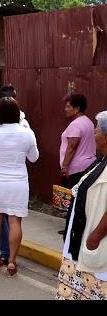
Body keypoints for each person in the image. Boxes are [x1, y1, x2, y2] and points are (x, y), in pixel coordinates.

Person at [0, 97, 39, 276]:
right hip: (18, 183)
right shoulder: (27, 132)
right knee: (15, 221)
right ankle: (11, 261)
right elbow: (34, 157)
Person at [56, 110, 107, 300]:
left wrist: (95, 237)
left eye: (96, 131)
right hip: (82, 236)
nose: (94, 134)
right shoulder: (100, 160)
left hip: (95, 242)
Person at [59, 93, 97, 235]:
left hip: (77, 168)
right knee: (80, 199)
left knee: (75, 199)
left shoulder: (76, 124)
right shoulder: (88, 121)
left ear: (77, 108)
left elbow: (72, 147)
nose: (65, 109)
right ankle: (74, 227)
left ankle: (70, 228)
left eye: (69, 106)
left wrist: (65, 166)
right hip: (87, 164)